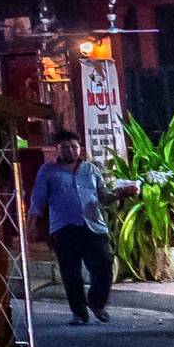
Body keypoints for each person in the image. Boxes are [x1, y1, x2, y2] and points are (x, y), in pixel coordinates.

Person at [29, 128, 113, 325]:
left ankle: (96, 302)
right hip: (64, 228)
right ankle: (79, 312)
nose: (70, 151)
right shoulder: (48, 171)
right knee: (70, 272)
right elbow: (38, 198)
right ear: (57, 149)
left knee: (103, 267)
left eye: (74, 147)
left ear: (80, 148)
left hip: (93, 226)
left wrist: (119, 194)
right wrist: (31, 224)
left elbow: (103, 196)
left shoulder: (91, 169)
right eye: (65, 147)